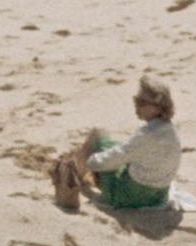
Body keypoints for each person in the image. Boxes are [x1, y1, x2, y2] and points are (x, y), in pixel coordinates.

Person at [54, 77, 186, 219]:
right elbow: (128, 151)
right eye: (136, 100)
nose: (137, 107)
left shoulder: (146, 134)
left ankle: (71, 180)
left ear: (158, 107)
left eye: (141, 102)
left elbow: (117, 156)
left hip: (131, 196)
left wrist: (91, 161)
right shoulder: (170, 130)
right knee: (111, 146)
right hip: (158, 195)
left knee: (97, 137)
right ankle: (78, 170)